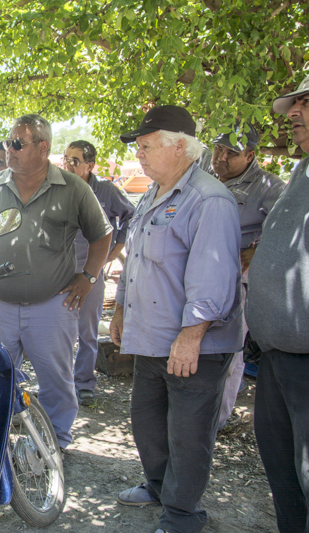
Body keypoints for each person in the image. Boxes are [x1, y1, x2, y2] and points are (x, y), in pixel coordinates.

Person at [109, 105, 243, 533]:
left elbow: (213, 277)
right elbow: (136, 261)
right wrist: (120, 309)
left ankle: (183, 515)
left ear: (180, 147)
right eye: (139, 147)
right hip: (152, 337)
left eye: (147, 146)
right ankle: (157, 486)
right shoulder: (153, 192)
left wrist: (191, 335)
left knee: (188, 435)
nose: (139, 154)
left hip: (193, 346)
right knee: (147, 423)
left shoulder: (209, 199)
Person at [0, 114, 113, 450]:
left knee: (56, 380)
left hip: (52, 307)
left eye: (17, 143)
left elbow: (102, 235)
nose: (9, 150)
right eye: (8, 142)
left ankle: (56, 443)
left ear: (43, 147)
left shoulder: (74, 188)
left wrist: (88, 277)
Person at [246, 72, 309, 533]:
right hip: (276, 356)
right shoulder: (301, 172)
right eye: (295, 104)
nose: (295, 113)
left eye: (306, 103)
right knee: (285, 474)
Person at [205, 123, 286, 428]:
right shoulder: (202, 177)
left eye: (231, 153)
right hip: (198, 277)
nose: (221, 158)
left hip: (236, 282)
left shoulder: (270, 188)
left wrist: (259, 251)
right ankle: (193, 417)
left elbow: (288, 231)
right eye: (218, 149)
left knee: (229, 353)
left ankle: (216, 421)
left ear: (250, 155)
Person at [63, 140, 135, 405]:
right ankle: (61, 383)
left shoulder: (105, 191)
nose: (68, 165)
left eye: (74, 161)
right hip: (60, 273)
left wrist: (114, 252)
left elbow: (131, 216)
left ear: (90, 165)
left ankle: (84, 384)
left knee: (87, 331)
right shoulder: (57, 188)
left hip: (90, 273)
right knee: (58, 330)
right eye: (65, 158)